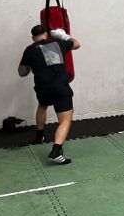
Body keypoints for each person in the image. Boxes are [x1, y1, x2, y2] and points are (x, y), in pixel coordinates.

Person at [18, 25, 80, 165]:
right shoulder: (58, 43)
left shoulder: (29, 50)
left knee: (43, 105)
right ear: (46, 34)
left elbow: (22, 72)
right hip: (60, 87)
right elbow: (77, 44)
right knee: (65, 120)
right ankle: (56, 151)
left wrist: (31, 64)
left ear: (33, 38)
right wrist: (63, 35)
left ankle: (39, 136)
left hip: (43, 88)